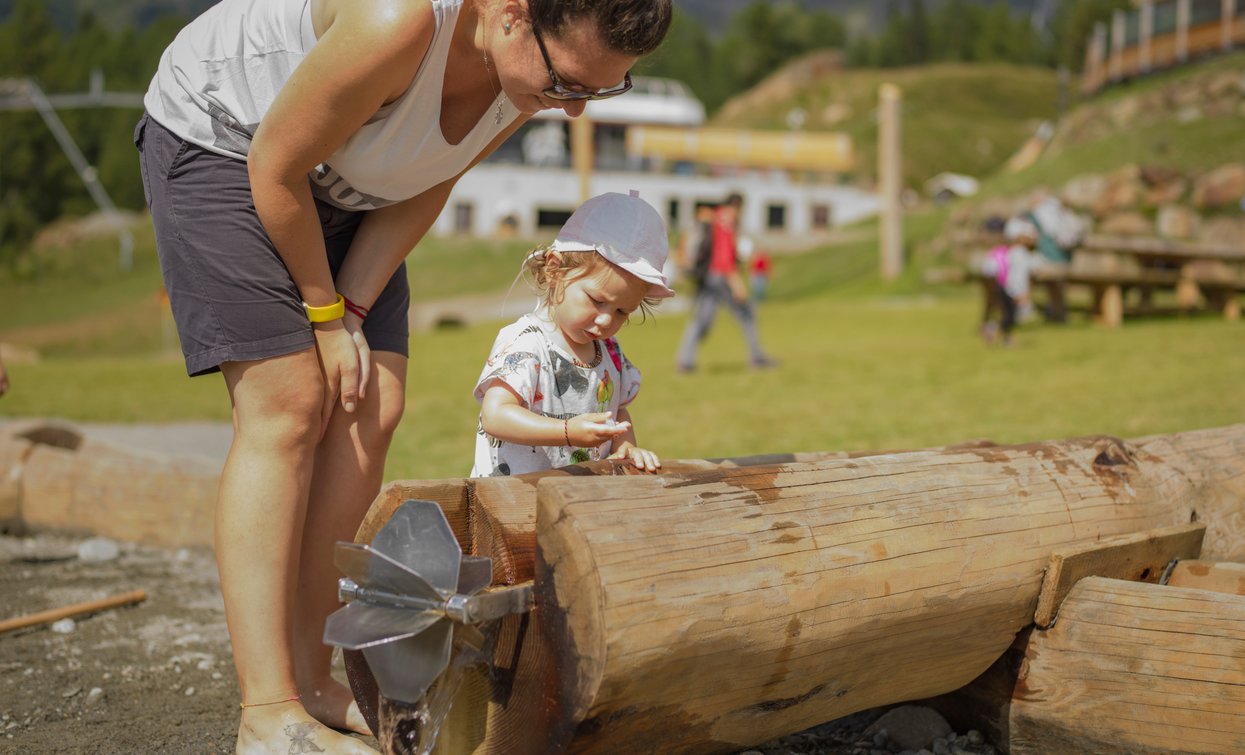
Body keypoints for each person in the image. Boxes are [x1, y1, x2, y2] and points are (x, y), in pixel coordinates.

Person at [135, 1, 672, 752]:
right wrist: (322, 320)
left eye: (600, 91)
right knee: (288, 400)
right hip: (232, 142)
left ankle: (313, 679)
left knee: (372, 401)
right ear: (513, 13)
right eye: (568, 81)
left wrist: (351, 307)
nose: (575, 108)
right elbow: (276, 167)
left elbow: (432, 177)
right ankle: (267, 712)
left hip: (344, 184)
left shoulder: (526, 80)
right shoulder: (398, 21)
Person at [472, 191, 669, 477]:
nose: (605, 320)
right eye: (596, 300)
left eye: (621, 312)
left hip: (575, 503)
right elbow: (496, 415)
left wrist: (624, 446)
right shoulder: (528, 341)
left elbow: (617, 413)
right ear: (555, 270)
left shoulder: (609, 352)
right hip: (511, 502)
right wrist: (566, 432)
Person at [676, 193, 775, 372]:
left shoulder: (712, 218)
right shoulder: (726, 222)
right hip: (721, 276)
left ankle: (685, 361)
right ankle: (757, 357)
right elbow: (723, 256)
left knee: (701, 319)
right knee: (747, 315)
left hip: (707, 277)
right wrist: (735, 281)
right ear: (737, 207)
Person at [981, 217, 1038, 347]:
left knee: (1009, 316)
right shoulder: (1020, 254)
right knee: (1010, 317)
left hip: (1005, 288)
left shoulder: (1013, 252)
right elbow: (1018, 276)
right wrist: (1021, 293)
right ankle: (994, 331)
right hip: (1011, 289)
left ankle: (1002, 336)